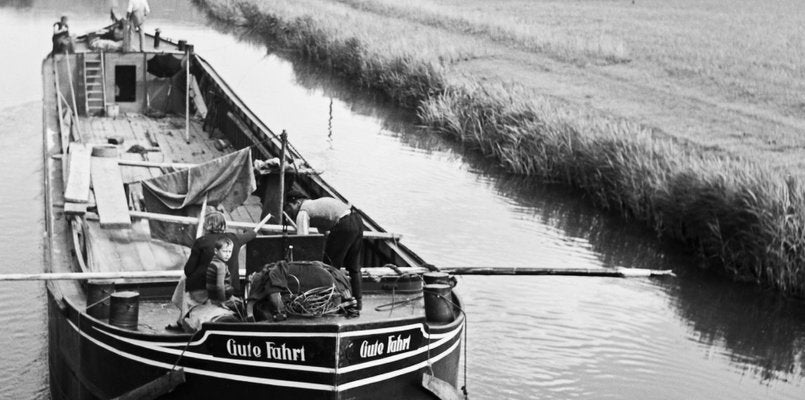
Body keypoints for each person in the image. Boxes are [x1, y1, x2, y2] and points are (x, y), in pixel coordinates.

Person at [284, 190, 364, 310]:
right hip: (357, 220)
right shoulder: (316, 205)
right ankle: (358, 302)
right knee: (354, 267)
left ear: (298, 202)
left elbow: (303, 240)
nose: (291, 212)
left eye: (291, 207)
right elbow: (327, 232)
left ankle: (332, 300)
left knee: (329, 267)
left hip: (344, 225)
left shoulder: (303, 211)